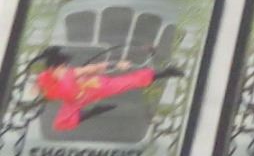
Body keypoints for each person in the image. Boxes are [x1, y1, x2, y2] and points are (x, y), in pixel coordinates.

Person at [33, 47, 182, 132]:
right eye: (62, 66)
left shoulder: (68, 74)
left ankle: (166, 72)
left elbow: (92, 69)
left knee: (130, 81)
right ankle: (92, 111)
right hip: (75, 100)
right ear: (53, 68)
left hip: (93, 88)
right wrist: (38, 93)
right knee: (61, 123)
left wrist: (117, 65)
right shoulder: (46, 78)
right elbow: (41, 91)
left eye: (64, 66)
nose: (65, 68)